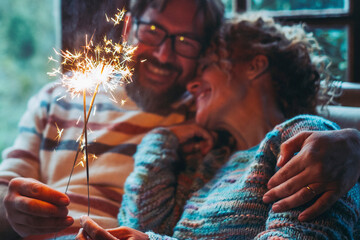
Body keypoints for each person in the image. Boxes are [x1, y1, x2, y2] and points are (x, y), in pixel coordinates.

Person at [0, 0, 359, 239]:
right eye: (153, 31)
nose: (164, 53)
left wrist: (354, 144)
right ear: (128, 28)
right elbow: (145, 225)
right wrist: (10, 207)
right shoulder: (203, 156)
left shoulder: (294, 143)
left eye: (188, 43)